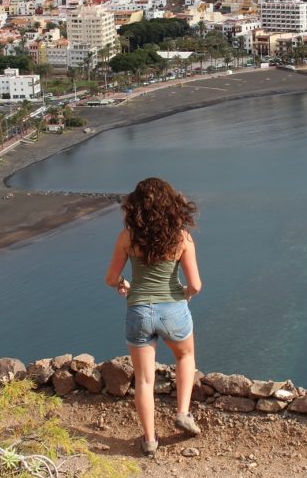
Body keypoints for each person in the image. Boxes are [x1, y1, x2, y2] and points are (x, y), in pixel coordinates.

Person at [105, 177, 203, 458]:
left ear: (136, 207)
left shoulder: (127, 238)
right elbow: (195, 285)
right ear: (170, 204)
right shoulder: (182, 237)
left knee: (144, 380)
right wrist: (184, 292)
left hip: (138, 312)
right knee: (185, 357)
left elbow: (111, 278)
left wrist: (124, 284)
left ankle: (149, 441)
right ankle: (183, 412)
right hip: (173, 310)